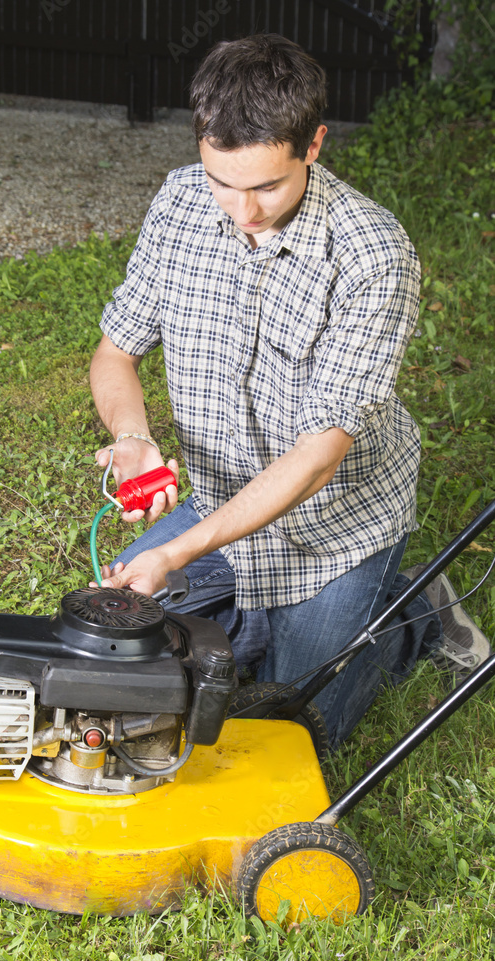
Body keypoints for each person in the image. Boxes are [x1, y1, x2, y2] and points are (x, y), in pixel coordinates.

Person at [88, 34, 491, 748]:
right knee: (120, 645)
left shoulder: (372, 254)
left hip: (332, 526)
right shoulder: (180, 203)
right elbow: (116, 352)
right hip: (221, 498)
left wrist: (175, 554)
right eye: (222, 181)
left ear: (313, 147)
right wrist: (133, 440)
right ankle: (251, 619)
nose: (239, 210)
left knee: (289, 731)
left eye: (265, 186)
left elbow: (315, 458)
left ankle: (408, 613)